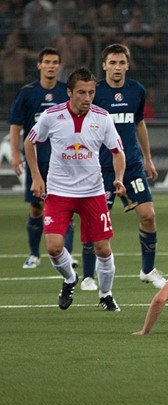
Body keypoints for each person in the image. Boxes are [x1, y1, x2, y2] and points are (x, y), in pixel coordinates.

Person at [23, 67, 126, 311]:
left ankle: (106, 295)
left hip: (93, 193)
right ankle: (70, 279)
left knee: (102, 248)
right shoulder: (51, 116)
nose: (87, 97)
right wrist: (37, 177)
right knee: (54, 247)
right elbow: (29, 142)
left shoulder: (102, 118)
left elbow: (117, 152)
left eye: (91, 92)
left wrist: (119, 178)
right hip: (59, 193)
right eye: (81, 92)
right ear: (69, 92)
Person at [79, 43, 165, 292]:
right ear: (104, 65)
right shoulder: (93, 92)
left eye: (121, 63)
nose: (117, 67)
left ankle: (148, 270)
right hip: (100, 168)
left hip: (132, 166)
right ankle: (87, 276)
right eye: (112, 63)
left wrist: (147, 159)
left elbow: (139, 124)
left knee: (148, 216)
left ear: (128, 65)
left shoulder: (136, 90)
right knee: (96, 222)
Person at [8, 47, 77, 269]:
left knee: (67, 206)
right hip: (36, 160)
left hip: (64, 160)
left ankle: (67, 255)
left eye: (55, 62)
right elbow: (16, 125)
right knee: (36, 207)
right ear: (39, 65)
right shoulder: (27, 93)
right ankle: (34, 253)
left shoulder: (66, 92)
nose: (51, 65)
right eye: (47, 61)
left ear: (59, 66)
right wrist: (15, 153)